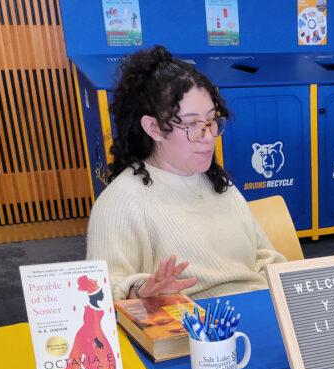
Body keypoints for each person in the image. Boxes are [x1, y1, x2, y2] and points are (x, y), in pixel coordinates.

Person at [87, 46, 285, 302]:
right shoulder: (121, 202)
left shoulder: (217, 183)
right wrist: (142, 292)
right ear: (154, 128)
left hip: (256, 313)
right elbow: (103, 295)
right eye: (192, 125)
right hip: (190, 330)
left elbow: (265, 257)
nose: (209, 137)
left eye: (212, 120)